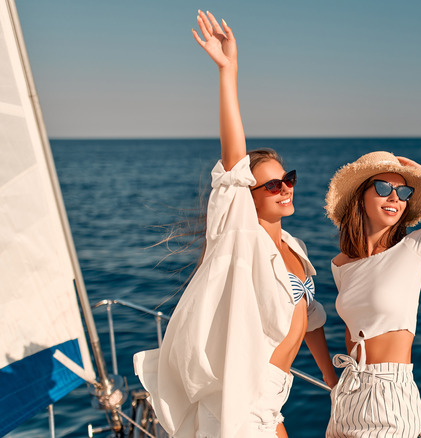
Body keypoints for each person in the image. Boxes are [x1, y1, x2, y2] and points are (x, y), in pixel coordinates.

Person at [133, 11, 338, 437]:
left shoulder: (296, 248)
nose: (285, 189)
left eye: (289, 179)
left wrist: (332, 381)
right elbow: (233, 165)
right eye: (271, 185)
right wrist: (229, 72)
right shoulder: (242, 239)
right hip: (240, 402)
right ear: (245, 196)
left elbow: (309, 317)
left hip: (274, 399)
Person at [323, 151, 421, 437]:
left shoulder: (414, 249)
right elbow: (354, 331)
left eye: (404, 191)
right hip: (348, 392)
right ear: (360, 196)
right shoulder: (341, 265)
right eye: (384, 188)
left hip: (389, 395)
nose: (395, 198)